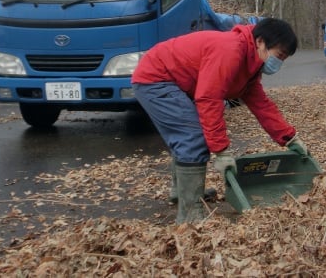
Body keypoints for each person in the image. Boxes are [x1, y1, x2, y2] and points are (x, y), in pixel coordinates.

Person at [131, 18, 308, 224]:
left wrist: (289, 138)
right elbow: (209, 98)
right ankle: (189, 214)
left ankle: (181, 192)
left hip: (177, 82)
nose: (278, 63)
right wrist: (222, 151)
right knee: (193, 135)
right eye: (279, 56)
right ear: (260, 41)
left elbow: (261, 104)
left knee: (191, 134)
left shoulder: (250, 64)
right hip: (156, 79)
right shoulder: (231, 50)